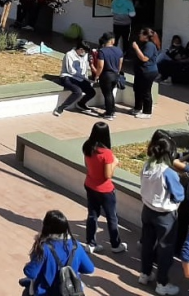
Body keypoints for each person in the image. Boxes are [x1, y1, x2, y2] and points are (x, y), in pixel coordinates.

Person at [140, 135, 185, 294]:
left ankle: (145, 274)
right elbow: (179, 195)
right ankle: (162, 284)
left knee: (147, 243)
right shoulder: (169, 173)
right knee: (166, 249)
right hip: (165, 216)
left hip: (147, 210)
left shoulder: (147, 165)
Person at [20, 210, 95, 296]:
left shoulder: (44, 248)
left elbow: (31, 273)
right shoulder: (76, 245)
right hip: (70, 292)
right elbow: (89, 269)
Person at [80, 122, 126, 254]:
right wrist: (115, 163)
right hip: (105, 190)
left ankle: (90, 243)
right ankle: (115, 244)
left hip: (90, 185)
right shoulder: (107, 153)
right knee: (112, 217)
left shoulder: (87, 147)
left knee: (92, 215)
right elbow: (108, 175)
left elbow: (87, 165)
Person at [54, 41, 96, 117]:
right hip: (67, 77)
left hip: (79, 78)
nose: (85, 54)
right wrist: (85, 78)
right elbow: (71, 71)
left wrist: (87, 78)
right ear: (80, 49)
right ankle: (61, 108)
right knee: (78, 91)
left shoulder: (85, 55)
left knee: (92, 92)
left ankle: (81, 104)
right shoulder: (69, 55)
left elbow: (85, 69)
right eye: (85, 51)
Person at [91, 33, 124, 121]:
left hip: (106, 75)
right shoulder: (119, 50)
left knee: (107, 94)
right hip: (115, 74)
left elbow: (100, 66)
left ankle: (109, 113)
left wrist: (97, 76)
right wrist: (117, 72)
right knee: (111, 93)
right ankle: (112, 111)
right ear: (112, 41)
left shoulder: (102, 51)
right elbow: (120, 64)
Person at [132, 28, 161, 119]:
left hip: (148, 72)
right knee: (137, 89)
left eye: (141, 34)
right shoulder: (144, 44)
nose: (139, 36)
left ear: (146, 36)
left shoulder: (150, 45)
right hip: (140, 71)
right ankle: (138, 107)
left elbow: (144, 58)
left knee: (145, 91)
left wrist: (136, 48)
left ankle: (147, 112)